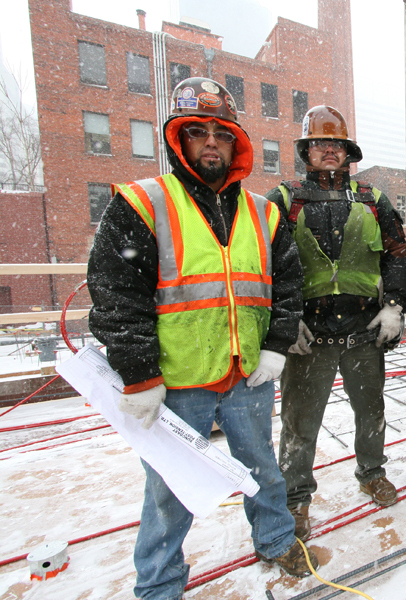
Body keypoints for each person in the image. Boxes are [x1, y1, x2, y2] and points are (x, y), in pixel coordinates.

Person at [87, 77, 316, 600]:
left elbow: (288, 285)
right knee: (169, 488)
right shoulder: (143, 203)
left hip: (248, 374)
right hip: (176, 379)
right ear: (178, 139)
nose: (210, 142)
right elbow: (116, 295)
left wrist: (278, 346)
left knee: (261, 465)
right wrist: (139, 373)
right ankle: (161, 583)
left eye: (221, 132)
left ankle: (277, 538)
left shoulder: (264, 212)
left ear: (236, 142)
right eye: (197, 132)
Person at [265, 105, 406, 540]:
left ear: (348, 153)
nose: (328, 151)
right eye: (319, 144)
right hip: (307, 334)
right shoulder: (285, 199)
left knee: (371, 410)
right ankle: (295, 498)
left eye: (336, 145)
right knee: (299, 421)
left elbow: (398, 254)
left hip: (363, 329)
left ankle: (371, 472)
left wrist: (395, 305)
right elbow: (263, 265)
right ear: (306, 152)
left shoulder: (372, 199)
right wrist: (284, 320)